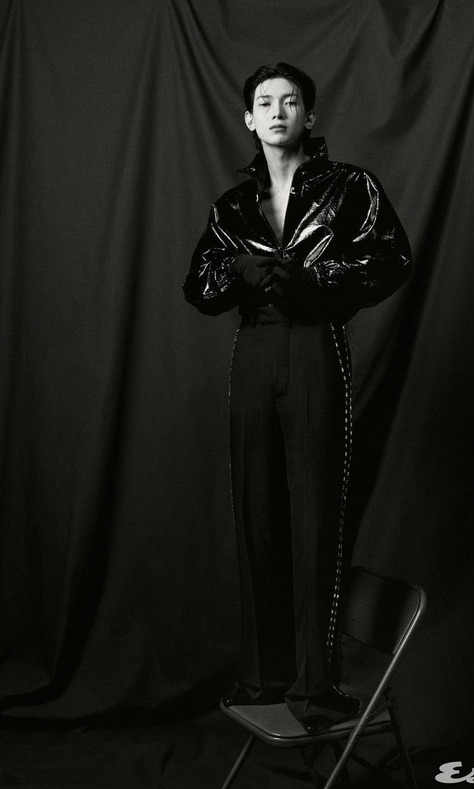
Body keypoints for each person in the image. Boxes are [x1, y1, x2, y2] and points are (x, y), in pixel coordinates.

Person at [183, 63, 411, 734]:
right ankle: (263, 674)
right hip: (255, 349)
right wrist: (239, 268)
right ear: (249, 120)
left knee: (316, 510)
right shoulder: (232, 207)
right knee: (255, 508)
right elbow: (199, 285)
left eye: (290, 101)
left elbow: (391, 258)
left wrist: (317, 276)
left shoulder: (350, 187)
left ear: (309, 116)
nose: (277, 111)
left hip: (315, 344)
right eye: (265, 102)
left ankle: (317, 683)